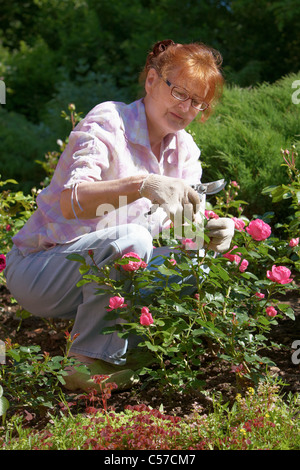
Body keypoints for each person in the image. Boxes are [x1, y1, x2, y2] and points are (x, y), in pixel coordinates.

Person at [4, 39, 234, 392]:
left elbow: (184, 231)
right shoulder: (110, 120)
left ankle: (130, 352)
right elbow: (71, 202)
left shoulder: (184, 149)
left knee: (198, 264)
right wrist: (143, 184)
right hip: (42, 268)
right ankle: (82, 363)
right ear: (152, 81)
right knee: (133, 238)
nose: (186, 108)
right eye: (179, 92)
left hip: (97, 274)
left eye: (197, 101)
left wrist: (212, 234)